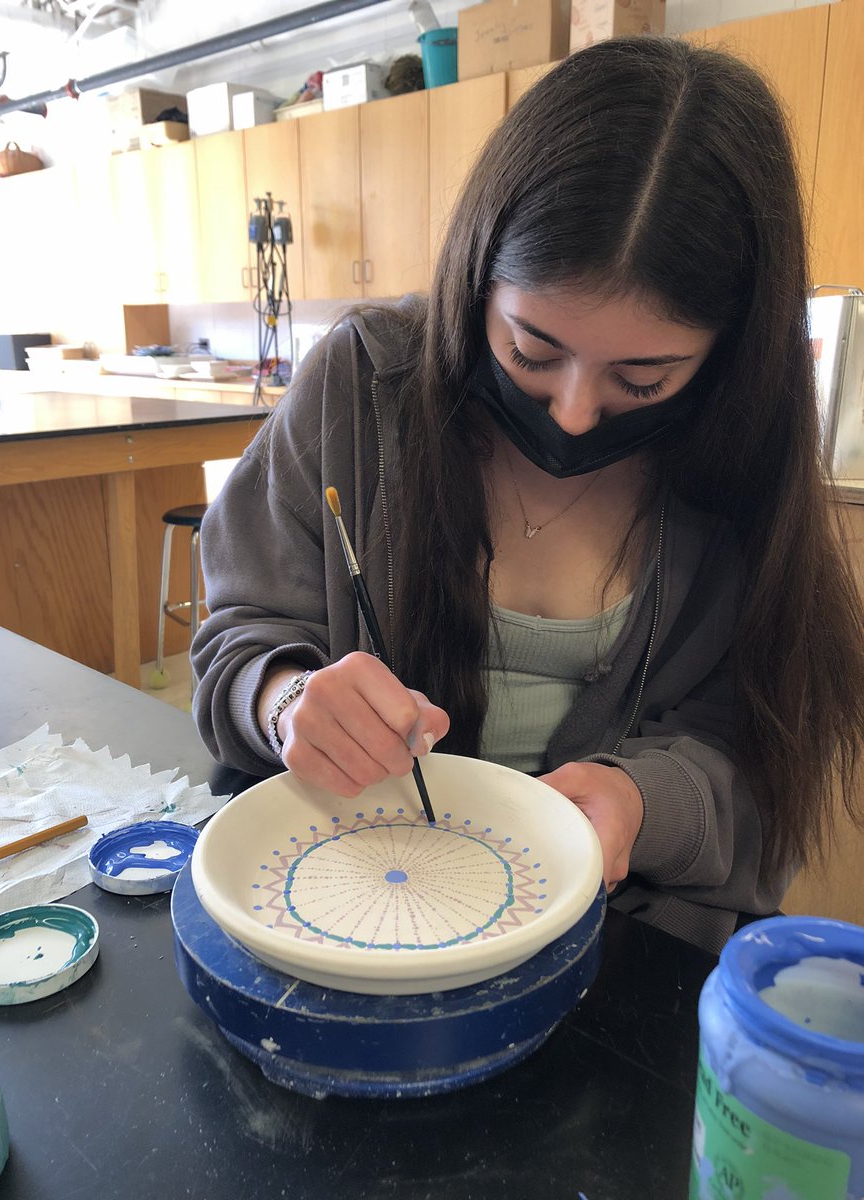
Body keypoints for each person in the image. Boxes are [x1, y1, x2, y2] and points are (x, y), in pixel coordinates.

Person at [192, 35, 864, 955]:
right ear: (477, 277)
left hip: (624, 949)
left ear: (726, 358)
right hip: (347, 907)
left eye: (644, 378)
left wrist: (641, 803)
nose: (578, 415)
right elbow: (241, 635)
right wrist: (286, 700)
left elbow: (765, 768)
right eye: (533, 351)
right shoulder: (363, 388)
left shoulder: (740, 464)